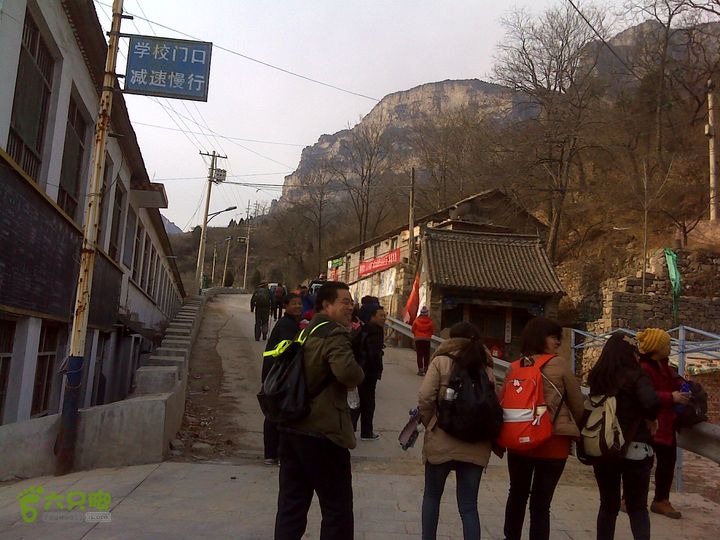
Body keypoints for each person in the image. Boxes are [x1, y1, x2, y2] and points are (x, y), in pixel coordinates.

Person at [274, 282, 365, 540]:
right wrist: (360, 373)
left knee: (291, 507)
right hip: (323, 433)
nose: (350, 307)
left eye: (351, 302)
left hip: (293, 427)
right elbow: (347, 373)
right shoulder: (334, 333)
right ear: (326, 305)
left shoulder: (305, 331)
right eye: (345, 302)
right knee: (337, 511)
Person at [502, 317, 585, 540]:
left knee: (517, 494)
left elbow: (504, 401)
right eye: (553, 337)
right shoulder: (560, 364)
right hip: (553, 442)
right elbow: (577, 404)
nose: (557, 342)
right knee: (541, 504)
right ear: (540, 338)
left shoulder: (515, 367)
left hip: (519, 441)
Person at [418, 322, 495, 540]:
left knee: (432, 497)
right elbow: (493, 404)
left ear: (451, 338)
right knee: (469, 506)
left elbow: (425, 397)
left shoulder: (441, 361)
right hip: (476, 443)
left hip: (442, 439)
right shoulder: (486, 366)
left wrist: (432, 423)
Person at [587, 333, 660, 540]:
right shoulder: (637, 375)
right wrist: (651, 418)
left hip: (605, 447)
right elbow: (651, 402)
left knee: (607, 506)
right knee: (637, 508)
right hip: (634, 448)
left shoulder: (598, 377)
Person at [637, 328, 689, 519]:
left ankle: (661, 500)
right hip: (649, 424)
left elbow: (674, 379)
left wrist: (684, 386)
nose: (670, 347)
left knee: (667, 464)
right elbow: (644, 395)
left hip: (667, 424)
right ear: (656, 347)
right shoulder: (644, 369)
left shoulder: (664, 366)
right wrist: (671, 397)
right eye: (666, 344)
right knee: (642, 464)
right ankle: (631, 498)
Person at [261, 293, 303, 465]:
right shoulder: (287, 325)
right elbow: (288, 350)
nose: (298, 306)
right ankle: (276, 453)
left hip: (274, 372)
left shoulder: (290, 323)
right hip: (278, 374)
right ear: (286, 306)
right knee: (278, 413)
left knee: (274, 413)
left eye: (300, 303)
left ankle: (271, 454)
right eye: (294, 304)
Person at [351, 304, 386, 441]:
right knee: (367, 402)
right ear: (372, 317)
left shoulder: (364, 328)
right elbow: (373, 354)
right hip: (368, 372)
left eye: (384, 316)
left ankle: (354, 430)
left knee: (360, 401)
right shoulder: (375, 331)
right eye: (380, 316)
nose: (383, 318)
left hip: (360, 369)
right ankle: (366, 432)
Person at [412, 306, 435, 376]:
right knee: (426, 354)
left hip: (418, 339)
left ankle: (420, 370)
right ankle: (426, 369)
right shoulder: (430, 321)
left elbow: (413, 329)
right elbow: (432, 330)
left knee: (419, 355)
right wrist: (428, 335)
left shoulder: (416, 320)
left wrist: (416, 335)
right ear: (427, 313)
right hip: (427, 339)